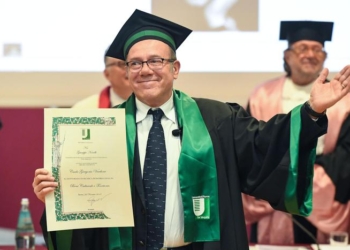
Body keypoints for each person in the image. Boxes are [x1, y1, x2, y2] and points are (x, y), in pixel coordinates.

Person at [32, 10, 350, 250]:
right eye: (135, 63)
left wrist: (312, 111)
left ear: (175, 68)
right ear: (126, 73)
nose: (145, 70)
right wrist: (57, 194)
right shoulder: (103, 128)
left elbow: (265, 145)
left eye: (156, 60)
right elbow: (85, 213)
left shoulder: (217, 118)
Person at [243, 20, 350, 244]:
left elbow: (345, 156)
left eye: (317, 49)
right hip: (269, 197)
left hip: (320, 195)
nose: (310, 55)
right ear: (287, 55)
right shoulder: (262, 94)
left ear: (324, 57)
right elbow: (251, 145)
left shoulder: (345, 100)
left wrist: (300, 177)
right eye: (302, 48)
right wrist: (281, 175)